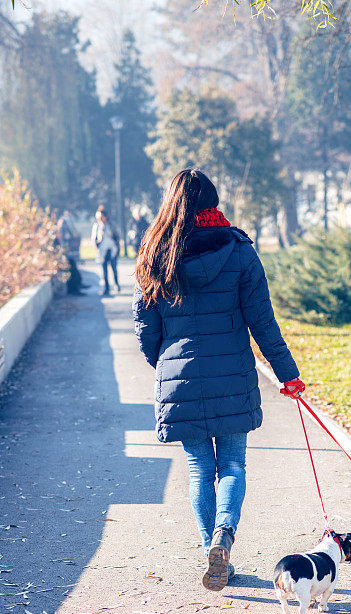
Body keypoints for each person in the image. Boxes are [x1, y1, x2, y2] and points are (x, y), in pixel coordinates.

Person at [133, 168, 305, 591]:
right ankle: (223, 537)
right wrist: (289, 376)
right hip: (232, 376)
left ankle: (211, 551)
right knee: (231, 464)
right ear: (213, 201)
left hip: (181, 380)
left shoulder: (156, 254)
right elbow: (262, 320)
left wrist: (168, 366)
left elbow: (145, 328)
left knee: (198, 468)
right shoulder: (238, 249)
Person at [91, 205, 120, 296]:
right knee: (104, 271)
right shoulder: (97, 226)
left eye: (101, 217)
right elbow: (93, 239)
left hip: (112, 249)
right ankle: (106, 288)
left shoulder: (111, 224)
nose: (100, 219)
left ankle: (116, 284)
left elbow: (117, 236)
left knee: (114, 268)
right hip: (102, 251)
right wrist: (97, 243)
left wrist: (115, 240)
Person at [57, 211, 85, 295]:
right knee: (72, 269)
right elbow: (67, 236)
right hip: (67, 251)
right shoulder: (64, 222)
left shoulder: (63, 222)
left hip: (67, 251)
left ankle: (77, 288)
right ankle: (74, 290)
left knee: (73, 269)